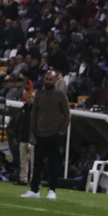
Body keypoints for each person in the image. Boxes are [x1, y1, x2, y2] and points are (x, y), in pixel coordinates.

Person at [23, 70, 71, 201]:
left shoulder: (61, 95)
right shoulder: (39, 94)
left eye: (50, 79)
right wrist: (32, 133)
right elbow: (34, 115)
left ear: (55, 81)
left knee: (53, 164)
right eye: (46, 79)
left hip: (54, 134)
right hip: (39, 134)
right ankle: (34, 190)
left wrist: (61, 131)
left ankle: (52, 190)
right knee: (37, 164)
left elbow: (67, 115)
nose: (48, 81)